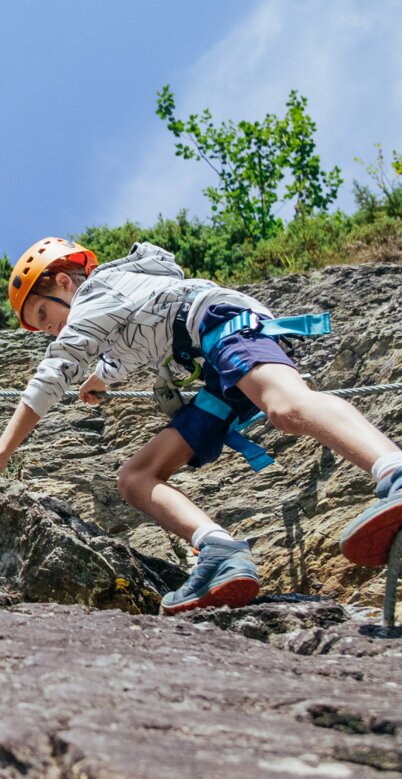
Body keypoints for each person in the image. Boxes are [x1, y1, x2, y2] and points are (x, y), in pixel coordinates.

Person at [1, 236, 401, 614]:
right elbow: (123, 349)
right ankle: (220, 552)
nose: (47, 329)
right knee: (136, 477)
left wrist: (4, 451)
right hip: (213, 365)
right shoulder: (115, 310)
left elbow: (56, 370)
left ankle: (394, 471)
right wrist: (101, 379)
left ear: (65, 282)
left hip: (225, 325)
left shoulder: (97, 290)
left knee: (285, 405)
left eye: (43, 314)